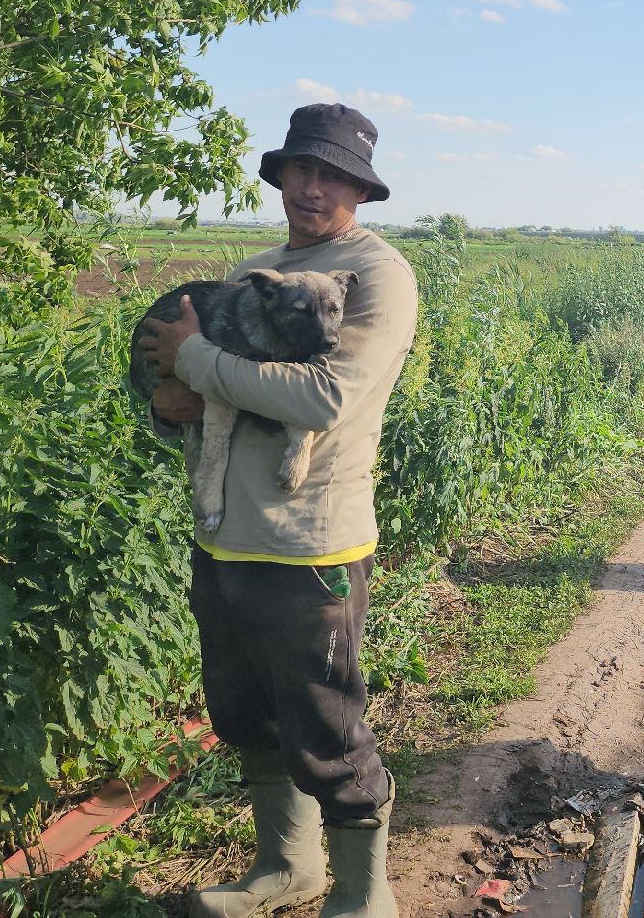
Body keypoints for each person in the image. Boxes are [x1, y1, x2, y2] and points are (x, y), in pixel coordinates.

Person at [137, 103, 419, 918]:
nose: (312, 186)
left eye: (333, 174)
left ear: (360, 190)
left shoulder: (375, 275)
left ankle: (367, 896)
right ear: (282, 176)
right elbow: (192, 397)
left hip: (309, 544)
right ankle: (288, 868)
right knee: (246, 712)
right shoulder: (258, 273)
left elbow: (326, 394)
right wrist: (171, 397)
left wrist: (195, 357)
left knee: (326, 727)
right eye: (302, 168)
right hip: (225, 535)